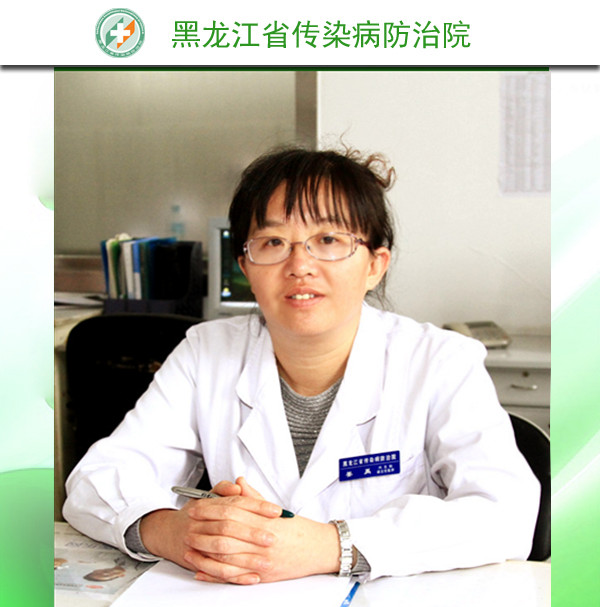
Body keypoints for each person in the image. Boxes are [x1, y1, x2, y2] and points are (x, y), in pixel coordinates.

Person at [63, 146, 540, 584]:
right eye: (273, 242)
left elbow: (507, 512)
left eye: (328, 239)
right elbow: (97, 479)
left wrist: (332, 546)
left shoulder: (439, 361)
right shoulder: (206, 352)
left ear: (375, 265)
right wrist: (172, 531)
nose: (300, 265)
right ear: (246, 266)